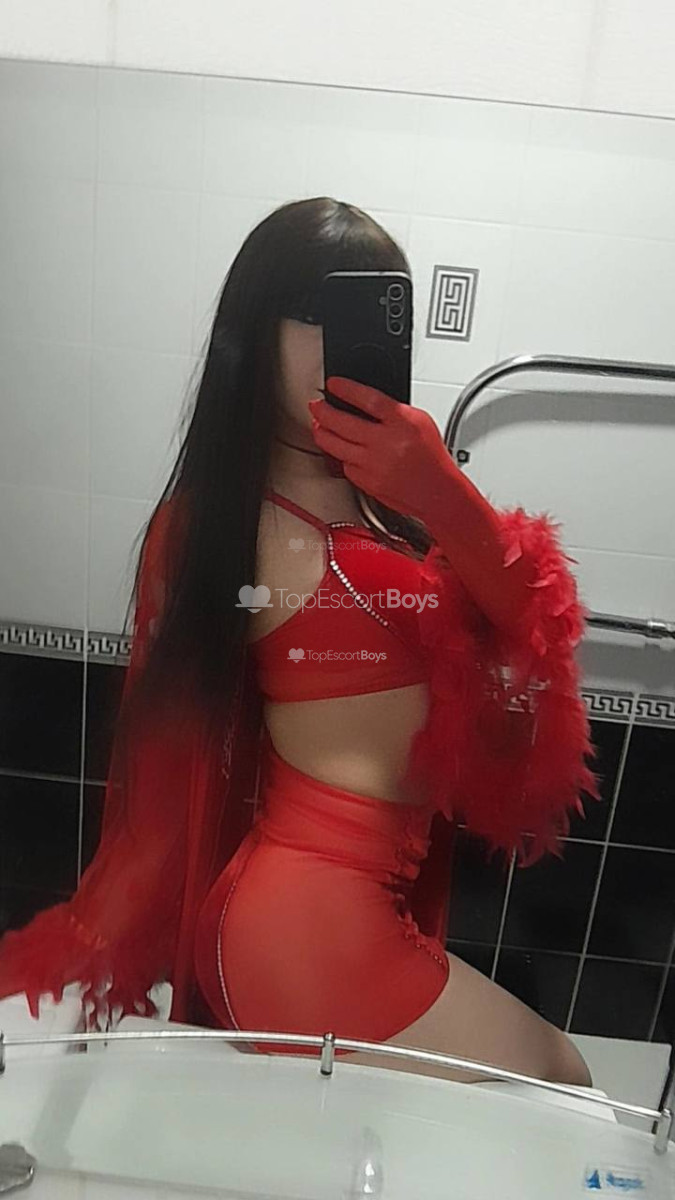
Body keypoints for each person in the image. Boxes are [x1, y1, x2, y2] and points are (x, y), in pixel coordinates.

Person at [0, 197, 598, 1086]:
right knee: (560, 1080)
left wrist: (442, 495)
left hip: (351, 911)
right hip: (303, 921)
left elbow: (536, 626)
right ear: (254, 332)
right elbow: (162, 771)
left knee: (527, 1090)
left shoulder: (393, 503)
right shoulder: (221, 526)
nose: (337, 342)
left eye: (372, 313)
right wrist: (83, 954)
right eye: (313, 312)